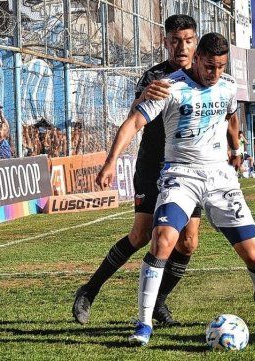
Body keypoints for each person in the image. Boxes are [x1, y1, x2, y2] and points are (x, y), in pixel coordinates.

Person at [95, 32, 255, 346]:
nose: (214, 73)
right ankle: (143, 325)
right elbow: (133, 122)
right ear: (197, 58)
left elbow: (231, 117)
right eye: (209, 66)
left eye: (220, 66)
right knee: (162, 241)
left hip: (220, 179)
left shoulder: (226, 86)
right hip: (180, 176)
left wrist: (236, 150)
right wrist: (109, 161)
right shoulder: (169, 87)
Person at [73, 14, 202, 327]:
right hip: (152, 167)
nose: (181, 47)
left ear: (195, 42)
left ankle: (157, 303)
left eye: (187, 40)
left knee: (188, 243)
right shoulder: (155, 78)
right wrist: (111, 161)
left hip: (188, 170)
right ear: (165, 42)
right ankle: (89, 290)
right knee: (141, 235)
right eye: (174, 41)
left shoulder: (204, 75)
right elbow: (133, 120)